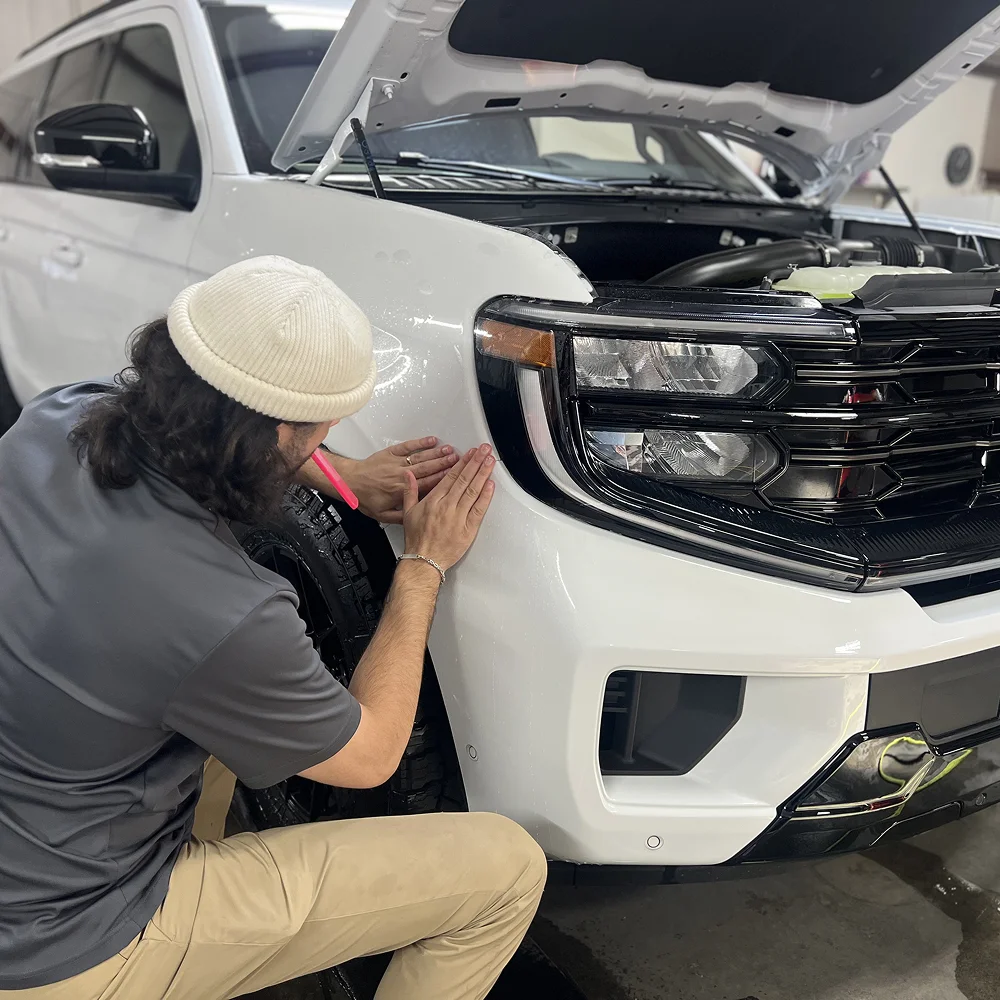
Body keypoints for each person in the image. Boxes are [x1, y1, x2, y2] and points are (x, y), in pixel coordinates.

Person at [0, 256, 546, 999]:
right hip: (61, 946)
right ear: (281, 431)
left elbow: (216, 426)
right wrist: (423, 565)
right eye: (323, 427)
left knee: (213, 729)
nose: (329, 435)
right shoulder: (225, 611)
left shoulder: (56, 419)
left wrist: (341, 474)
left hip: (30, 823)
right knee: (507, 870)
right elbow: (372, 755)